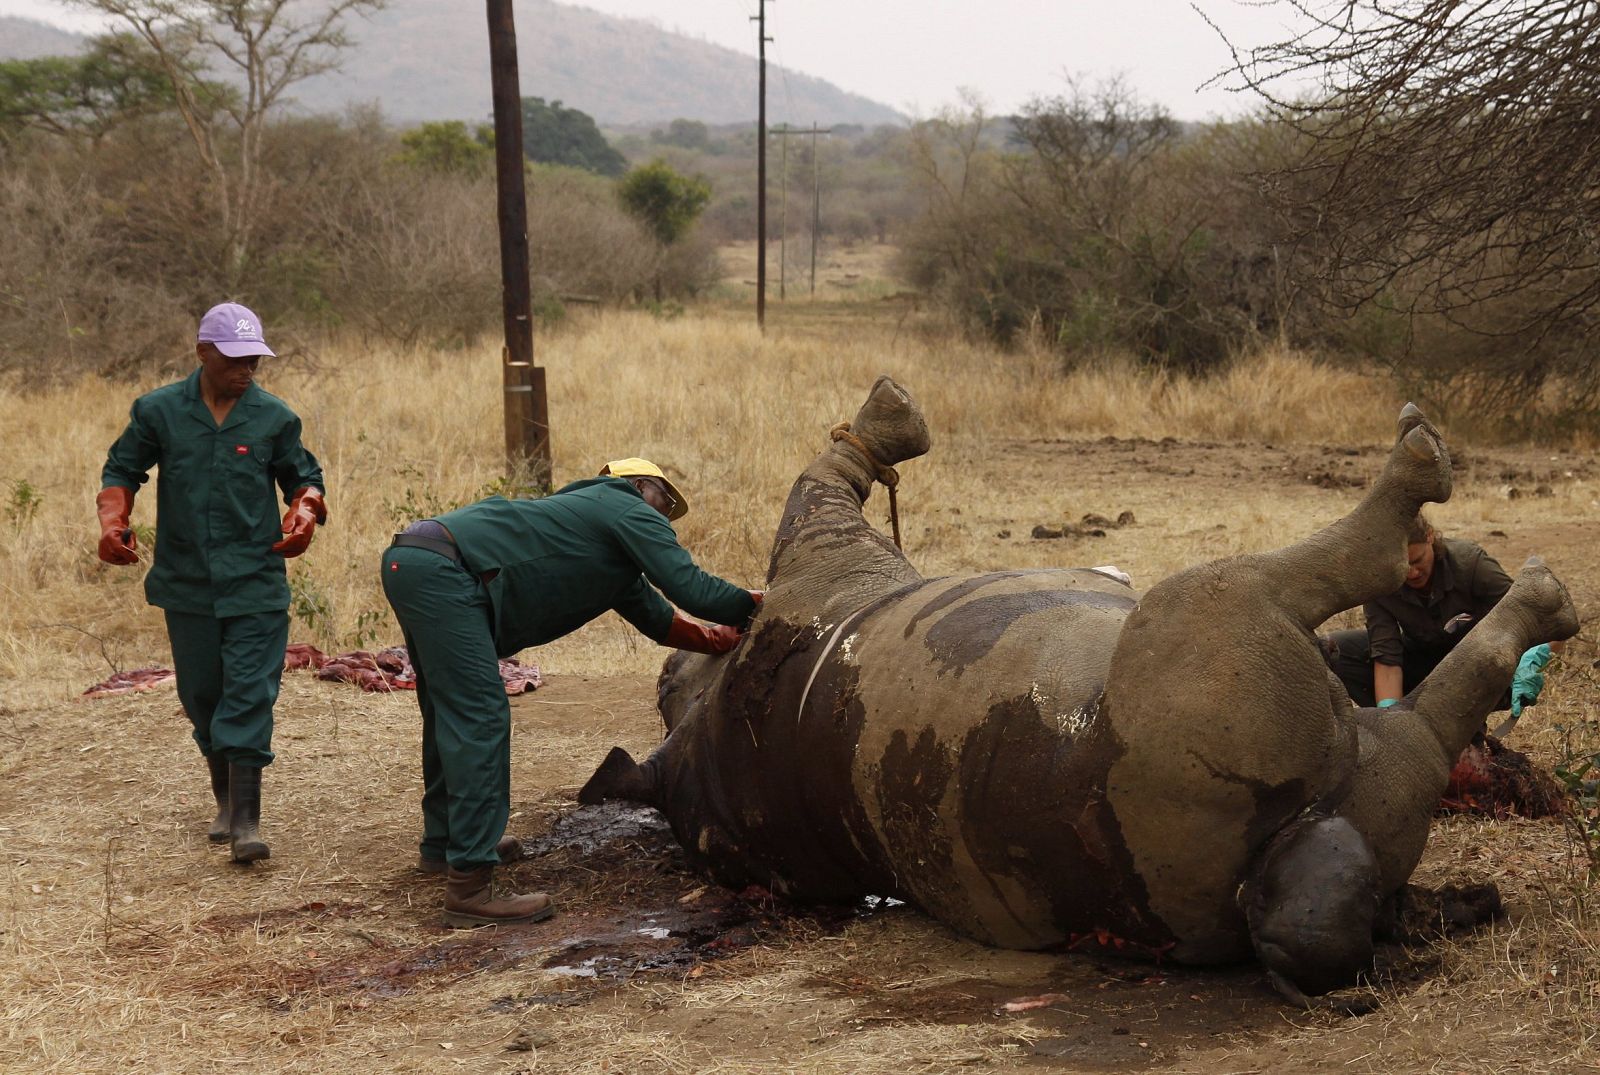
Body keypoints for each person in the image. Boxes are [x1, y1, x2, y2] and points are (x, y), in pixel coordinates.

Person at [381, 458, 761, 929]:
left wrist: (715, 639)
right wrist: (755, 604)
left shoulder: (597, 540)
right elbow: (692, 589)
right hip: (447, 572)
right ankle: (470, 889)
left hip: (416, 560)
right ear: (639, 485)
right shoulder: (621, 503)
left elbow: (660, 620)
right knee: (480, 716)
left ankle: (445, 845)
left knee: (448, 710)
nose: (665, 519)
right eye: (665, 503)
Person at [97, 302, 326, 864]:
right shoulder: (158, 411)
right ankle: (224, 800)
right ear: (203, 353)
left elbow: (304, 477)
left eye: (254, 360)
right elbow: (123, 468)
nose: (246, 370)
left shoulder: (274, 418)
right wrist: (113, 521)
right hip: (186, 581)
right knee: (202, 695)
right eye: (234, 359)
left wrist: (304, 512)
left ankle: (246, 823)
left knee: (249, 692)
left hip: (255, 580)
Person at [1324, 512, 1554, 713]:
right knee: (1336, 649)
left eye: (1417, 560)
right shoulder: (1382, 581)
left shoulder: (1472, 565)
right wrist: (1390, 715)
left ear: (1430, 537)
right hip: (1425, 663)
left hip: (1480, 664)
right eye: (1402, 567)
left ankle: (1466, 732)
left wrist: (1532, 659)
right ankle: (1409, 724)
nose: (1412, 573)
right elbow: (1387, 658)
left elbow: (1539, 616)